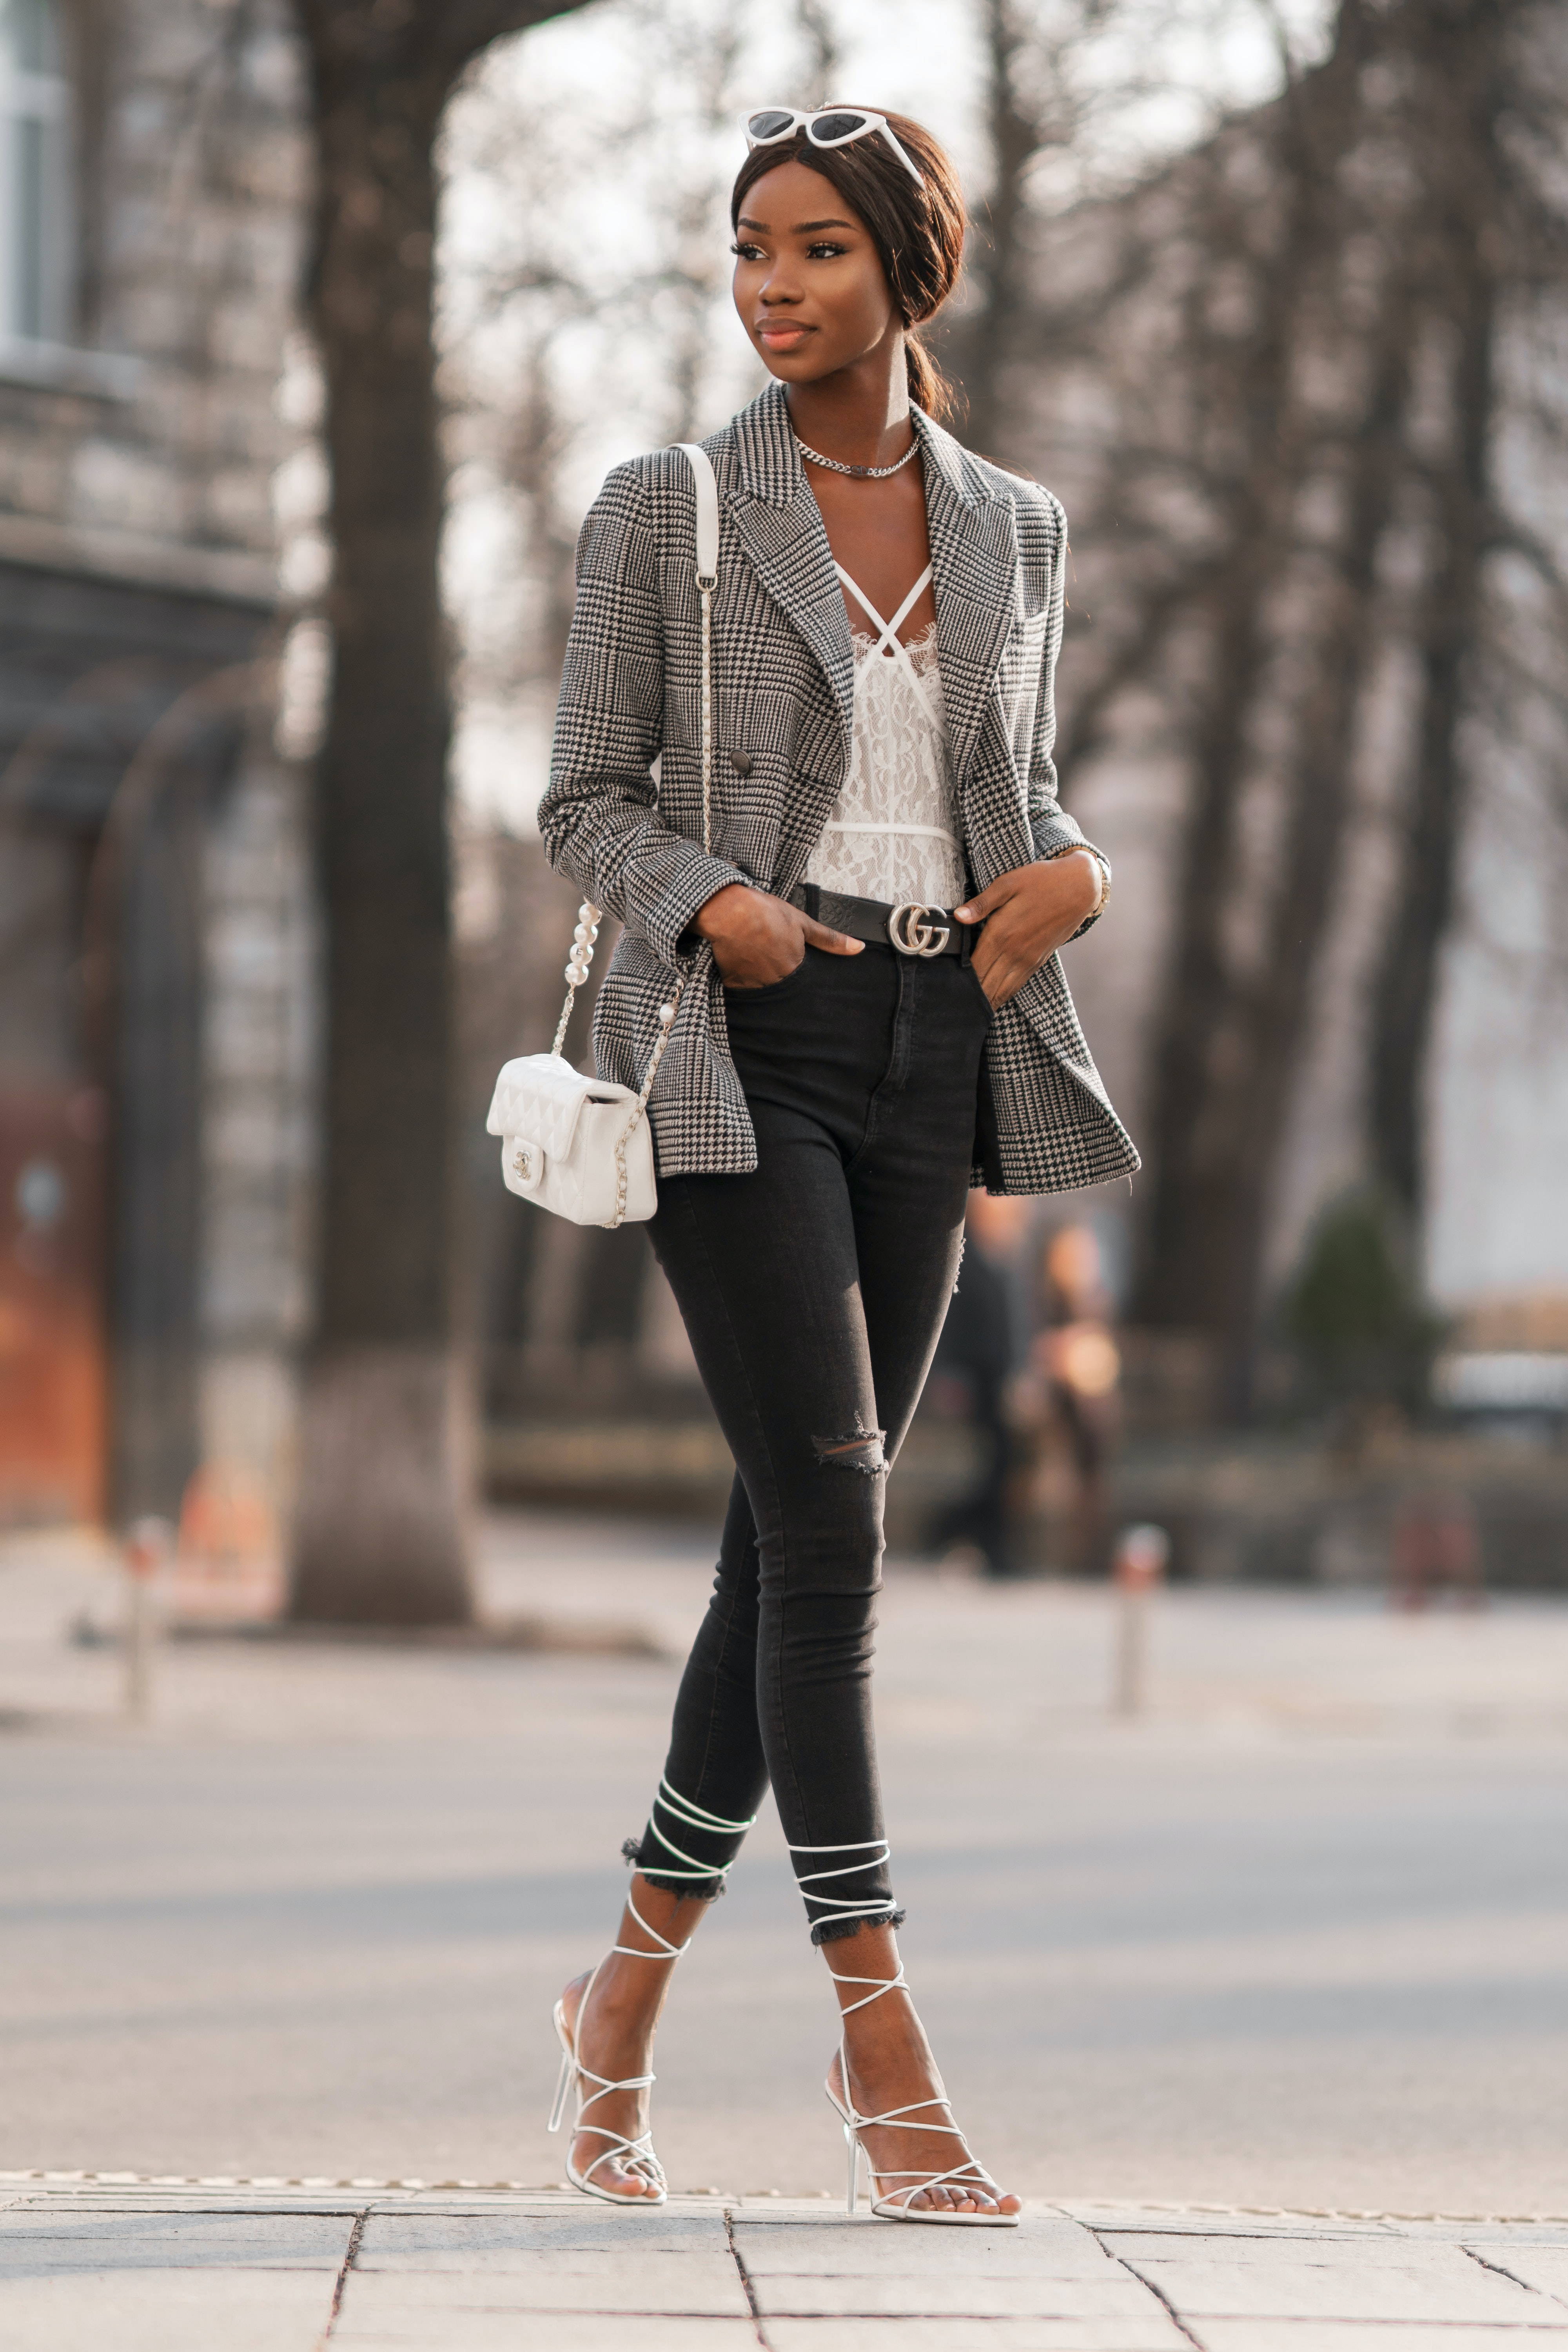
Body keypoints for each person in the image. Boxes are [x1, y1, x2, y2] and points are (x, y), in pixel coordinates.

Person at [538, 103, 1138, 2224]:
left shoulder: (1015, 529)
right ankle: (883, 2045)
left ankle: (621, 1998)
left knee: (783, 1548)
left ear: (906, 269)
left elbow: (1017, 782)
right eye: (746, 250)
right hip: (741, 1044)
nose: (771, 285)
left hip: (930, 1047)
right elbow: (581, 797)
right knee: (840, 1524)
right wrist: (714, 901)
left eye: (811, 251)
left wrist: (1064, 883)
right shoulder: (667, 511)